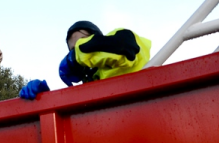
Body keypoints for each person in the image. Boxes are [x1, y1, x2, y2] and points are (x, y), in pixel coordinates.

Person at [19, 21, 152, 100]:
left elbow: (125, 48)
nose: (77, 50)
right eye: (72, 50)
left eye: (81, 42)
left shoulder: (122, 39)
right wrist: (44, 98)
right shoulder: (88, 90)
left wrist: (75, 56)